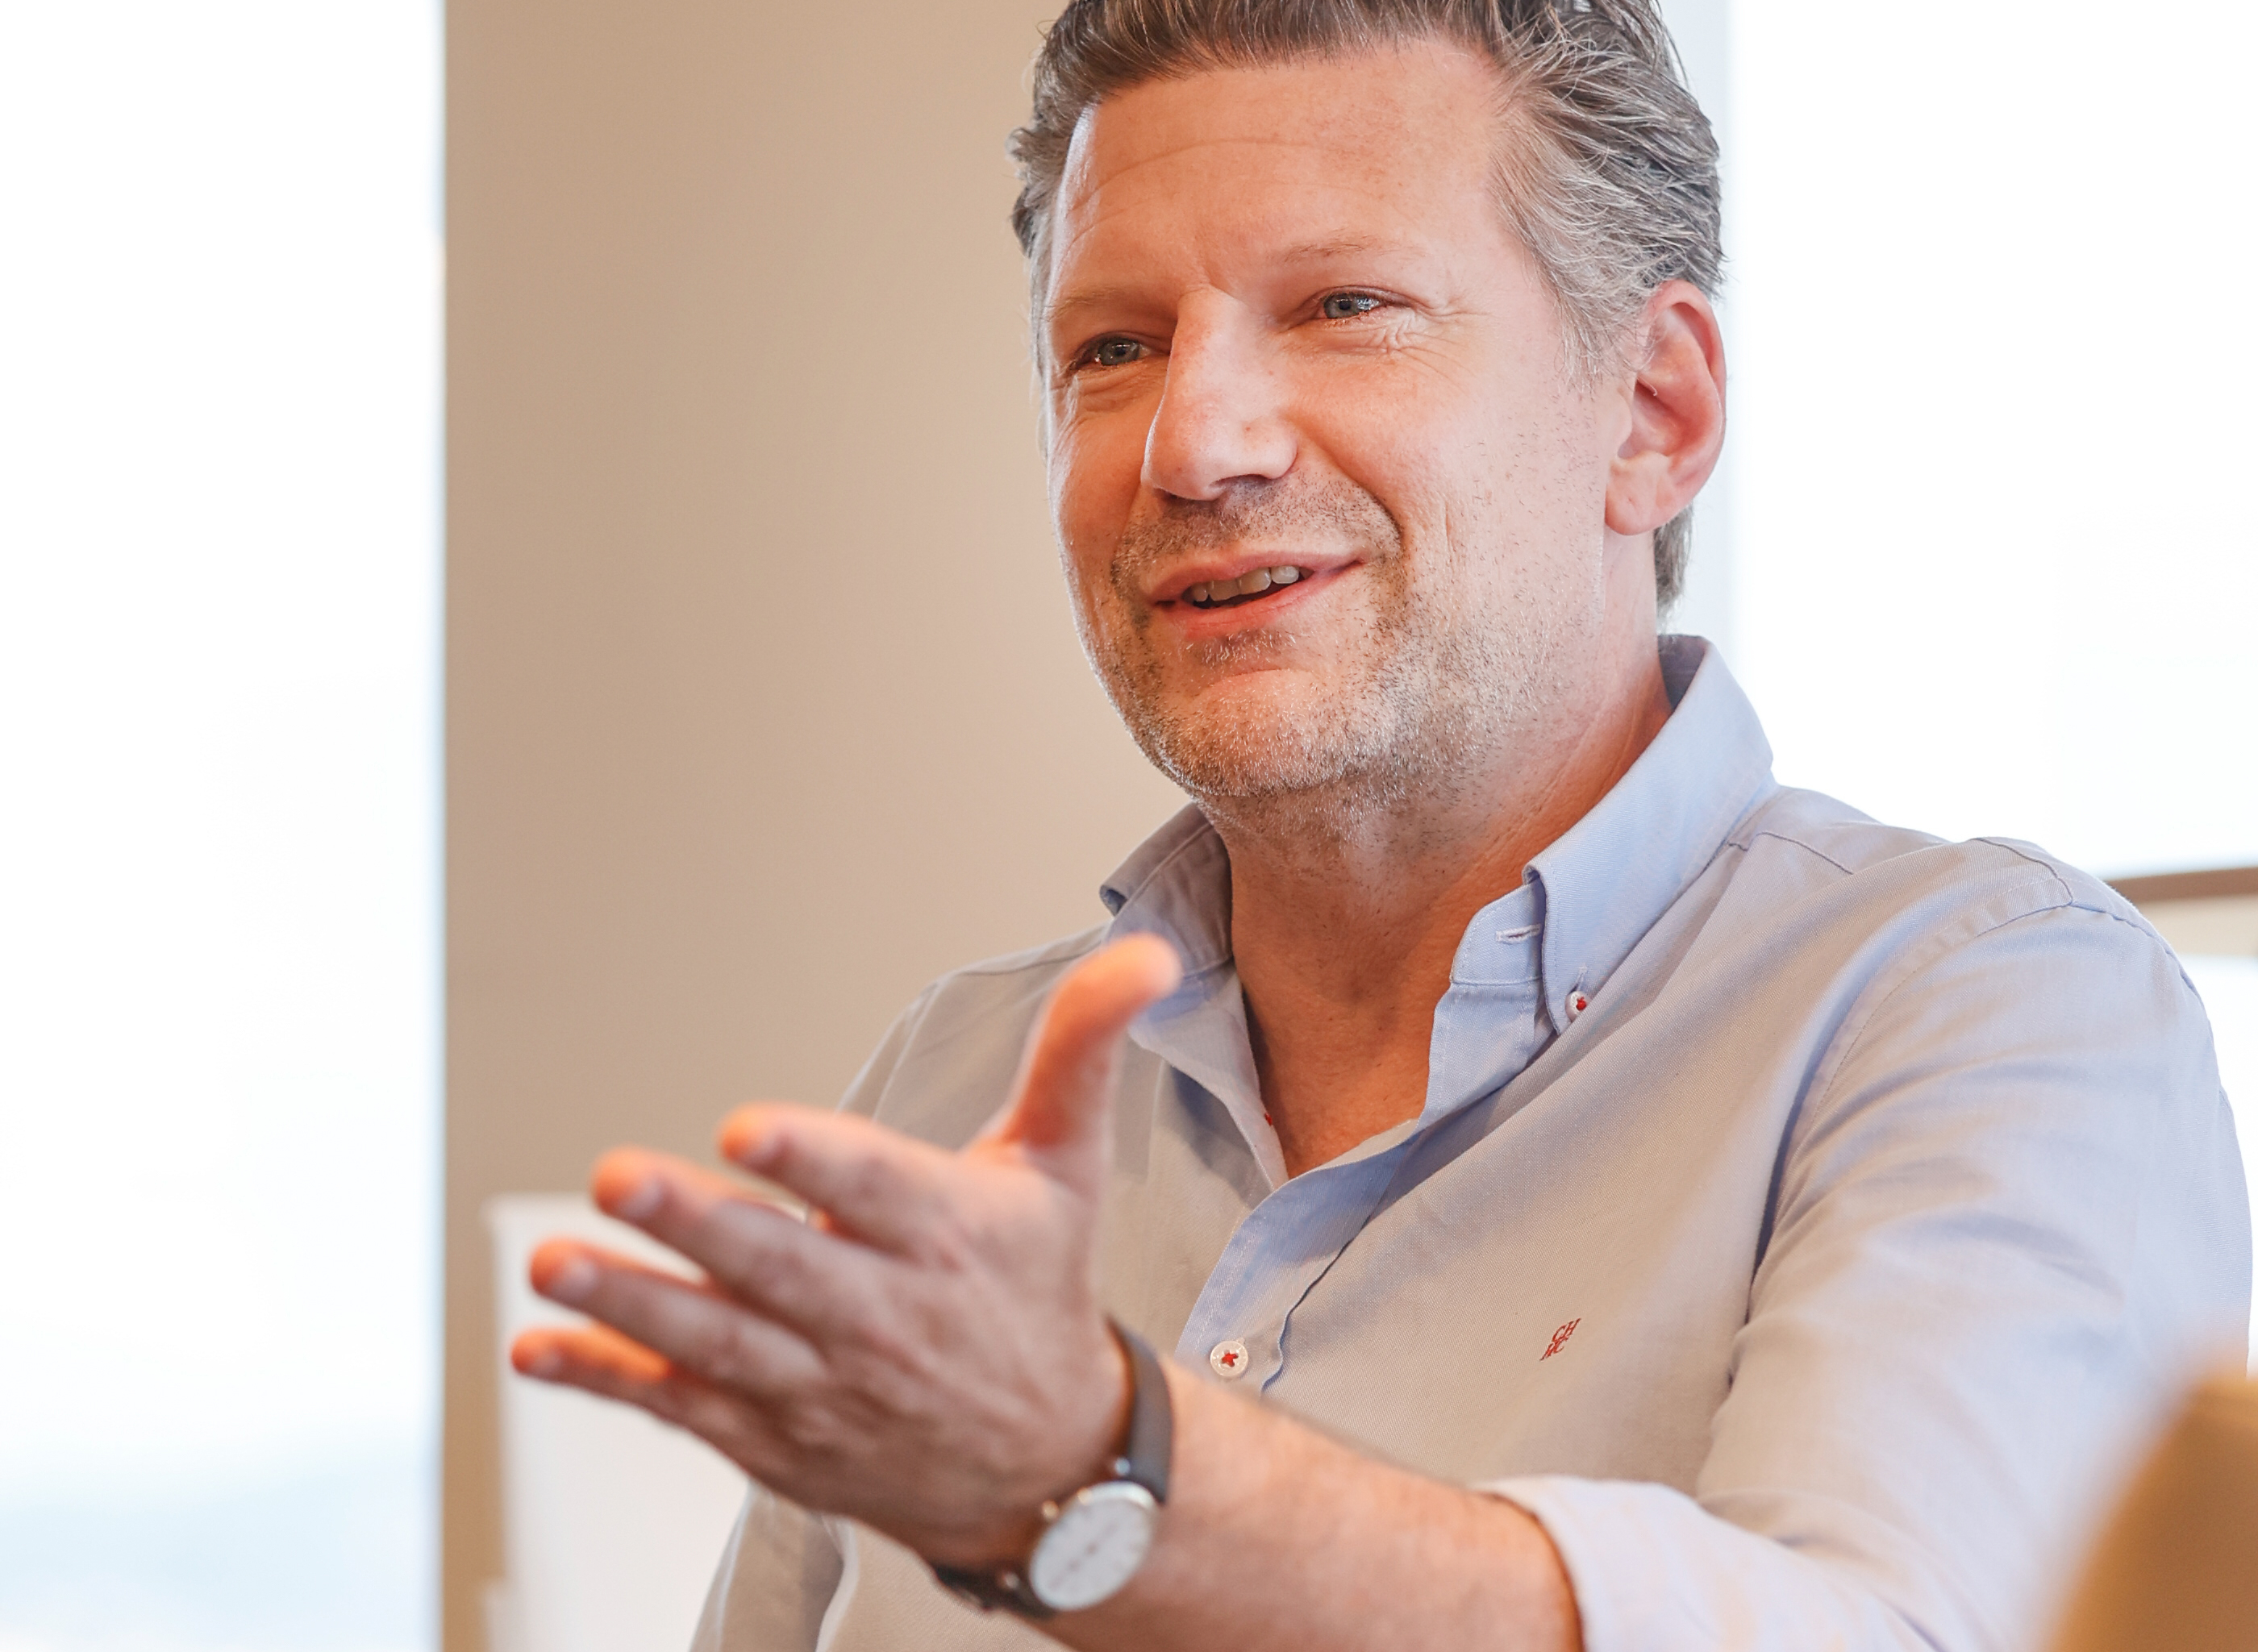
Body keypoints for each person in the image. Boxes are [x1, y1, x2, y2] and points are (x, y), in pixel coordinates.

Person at [506, 1, 2253, 1647]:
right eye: (1113, 347)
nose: (1195, 441)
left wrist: (1098, 1474)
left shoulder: (1994, 1012)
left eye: (1346, 307)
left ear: (1654, 413)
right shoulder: (953, 1080)